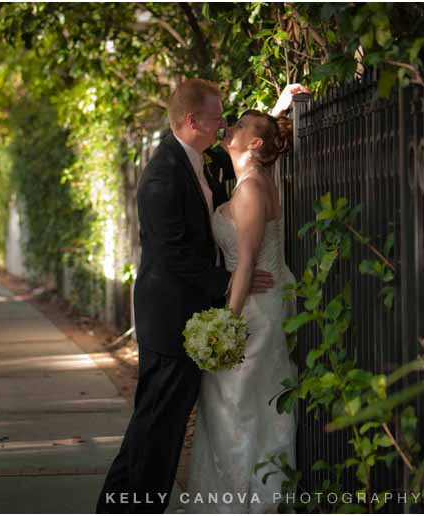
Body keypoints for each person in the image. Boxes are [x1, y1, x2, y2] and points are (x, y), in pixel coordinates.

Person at [96, 79, 307, 514]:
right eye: (218, 118)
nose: (224, 125)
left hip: (217, 313)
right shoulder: (162, 176)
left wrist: (281, 108)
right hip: (171, 321)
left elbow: (253, 145)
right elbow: (172, 255)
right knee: (155, 431)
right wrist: (228, 281)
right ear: (193, 121)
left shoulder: (202, 159)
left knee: (161, 431)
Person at [182, 109, 299, 513]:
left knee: (236, 412)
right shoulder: (248, 182)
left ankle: (239, 505)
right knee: (239, 410)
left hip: (251, 313)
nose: (228, 128)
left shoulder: (250, 189)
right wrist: (280, 106)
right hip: (249, 300)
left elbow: (247, 263)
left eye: (238, 126)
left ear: (255, 143)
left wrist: (224, 327)